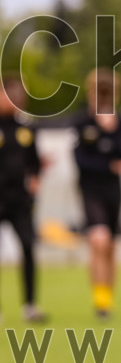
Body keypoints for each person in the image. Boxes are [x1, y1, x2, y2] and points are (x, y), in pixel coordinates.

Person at [73, 68, 121, 319]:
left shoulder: (120, 121)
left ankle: (107, 300)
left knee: (110, 246)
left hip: (113, 189)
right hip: (90, 189)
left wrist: (110, 129)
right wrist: (109, 164)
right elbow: (80, 160)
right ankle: (100, 303)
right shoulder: (82, 122)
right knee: (99, 240)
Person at [0, 75, 47, 323]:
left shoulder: (27, 128)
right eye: (11, 96)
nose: (17, 100)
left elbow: (34, 164)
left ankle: (30, 306)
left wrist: (36, 181)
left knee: (28, 247)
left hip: (19, 200)